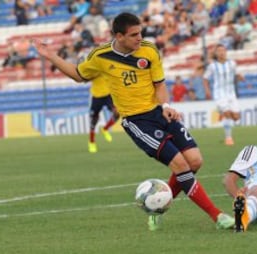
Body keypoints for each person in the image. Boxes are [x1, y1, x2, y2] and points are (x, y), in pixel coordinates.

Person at [33, 12, 234, 231]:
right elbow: (78, 75)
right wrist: (50, 55)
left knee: (195, 161)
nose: (140, 38)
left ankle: (157, 206)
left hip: (159, 112)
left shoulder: (149, 51)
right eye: (134, 35)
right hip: (137, 122)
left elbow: (159, 84)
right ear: (119, 36)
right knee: (181, 165)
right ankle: (218, 216)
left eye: (141, 33)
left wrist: (166, 106)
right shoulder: (101, 56)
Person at [203, 43, 245, 146]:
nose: (222, 52)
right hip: (219, 94)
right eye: (219, 51)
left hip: (231, 94)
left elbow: (237, 74)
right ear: (216, 53)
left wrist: (241, 77)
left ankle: (222, 112)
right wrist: (207, 91)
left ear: (226, 52)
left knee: (236, 117)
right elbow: (205, 79)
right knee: (227, 113)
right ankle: (228, 138)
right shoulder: (212, 66)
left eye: (223, 50)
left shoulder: (232, 64)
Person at [88, 74, 120, 153]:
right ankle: (92, 142)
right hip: (96, 96)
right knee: (94, 121)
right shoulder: (92, 66)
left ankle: (105, 128)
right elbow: (85, 78)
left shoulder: (105, 63)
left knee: (117, 113)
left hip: (108, 95)